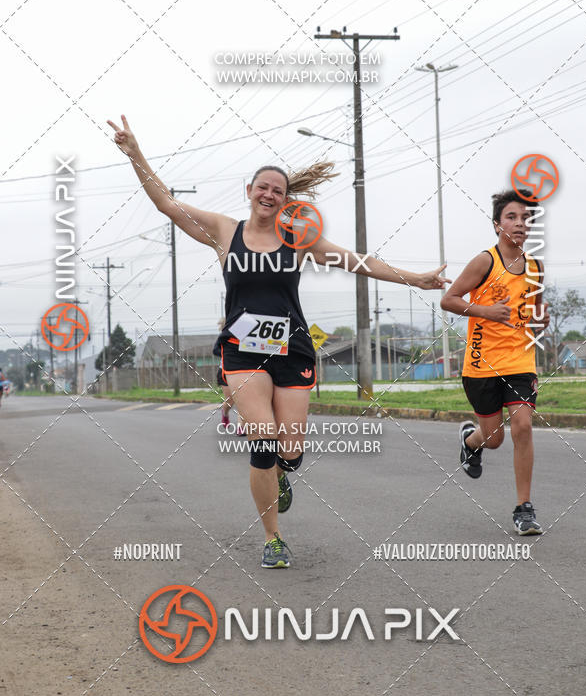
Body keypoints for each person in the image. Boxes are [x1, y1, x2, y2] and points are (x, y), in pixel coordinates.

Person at [108, 115, 449, 568]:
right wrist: (135, 153)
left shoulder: (298, 237)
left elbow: (357, 261)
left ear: (286, 200)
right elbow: (166, 204)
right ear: (249, 191)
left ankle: (284, 472)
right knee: (263, 441)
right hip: (242, 351)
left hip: (293, 350)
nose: (269, 195)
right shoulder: (224, 231)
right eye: (262, 187)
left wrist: (416, 279)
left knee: (290, 449)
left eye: (278, 191)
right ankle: (273, 538)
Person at [441, 189, 550, 535]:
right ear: (497, 225)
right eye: (512, 217)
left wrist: (540, 321)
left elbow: (533, 313)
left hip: (520, 361)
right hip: (481, 364)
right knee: (494, 438)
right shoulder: (484, 262)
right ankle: (470, 441)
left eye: (525, 218)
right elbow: (449, 299)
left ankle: (524, 508)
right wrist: (485, 311)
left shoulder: (535, 267)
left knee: (523, 426)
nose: (520, 223)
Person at [216, 318, 245, 436]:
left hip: (240, 371)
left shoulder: (244, 337)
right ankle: (225, 412)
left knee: (241, 400)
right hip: (225, 371)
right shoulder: (223, 338)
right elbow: (216, 351)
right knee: (230, 401)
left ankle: (241, 427)